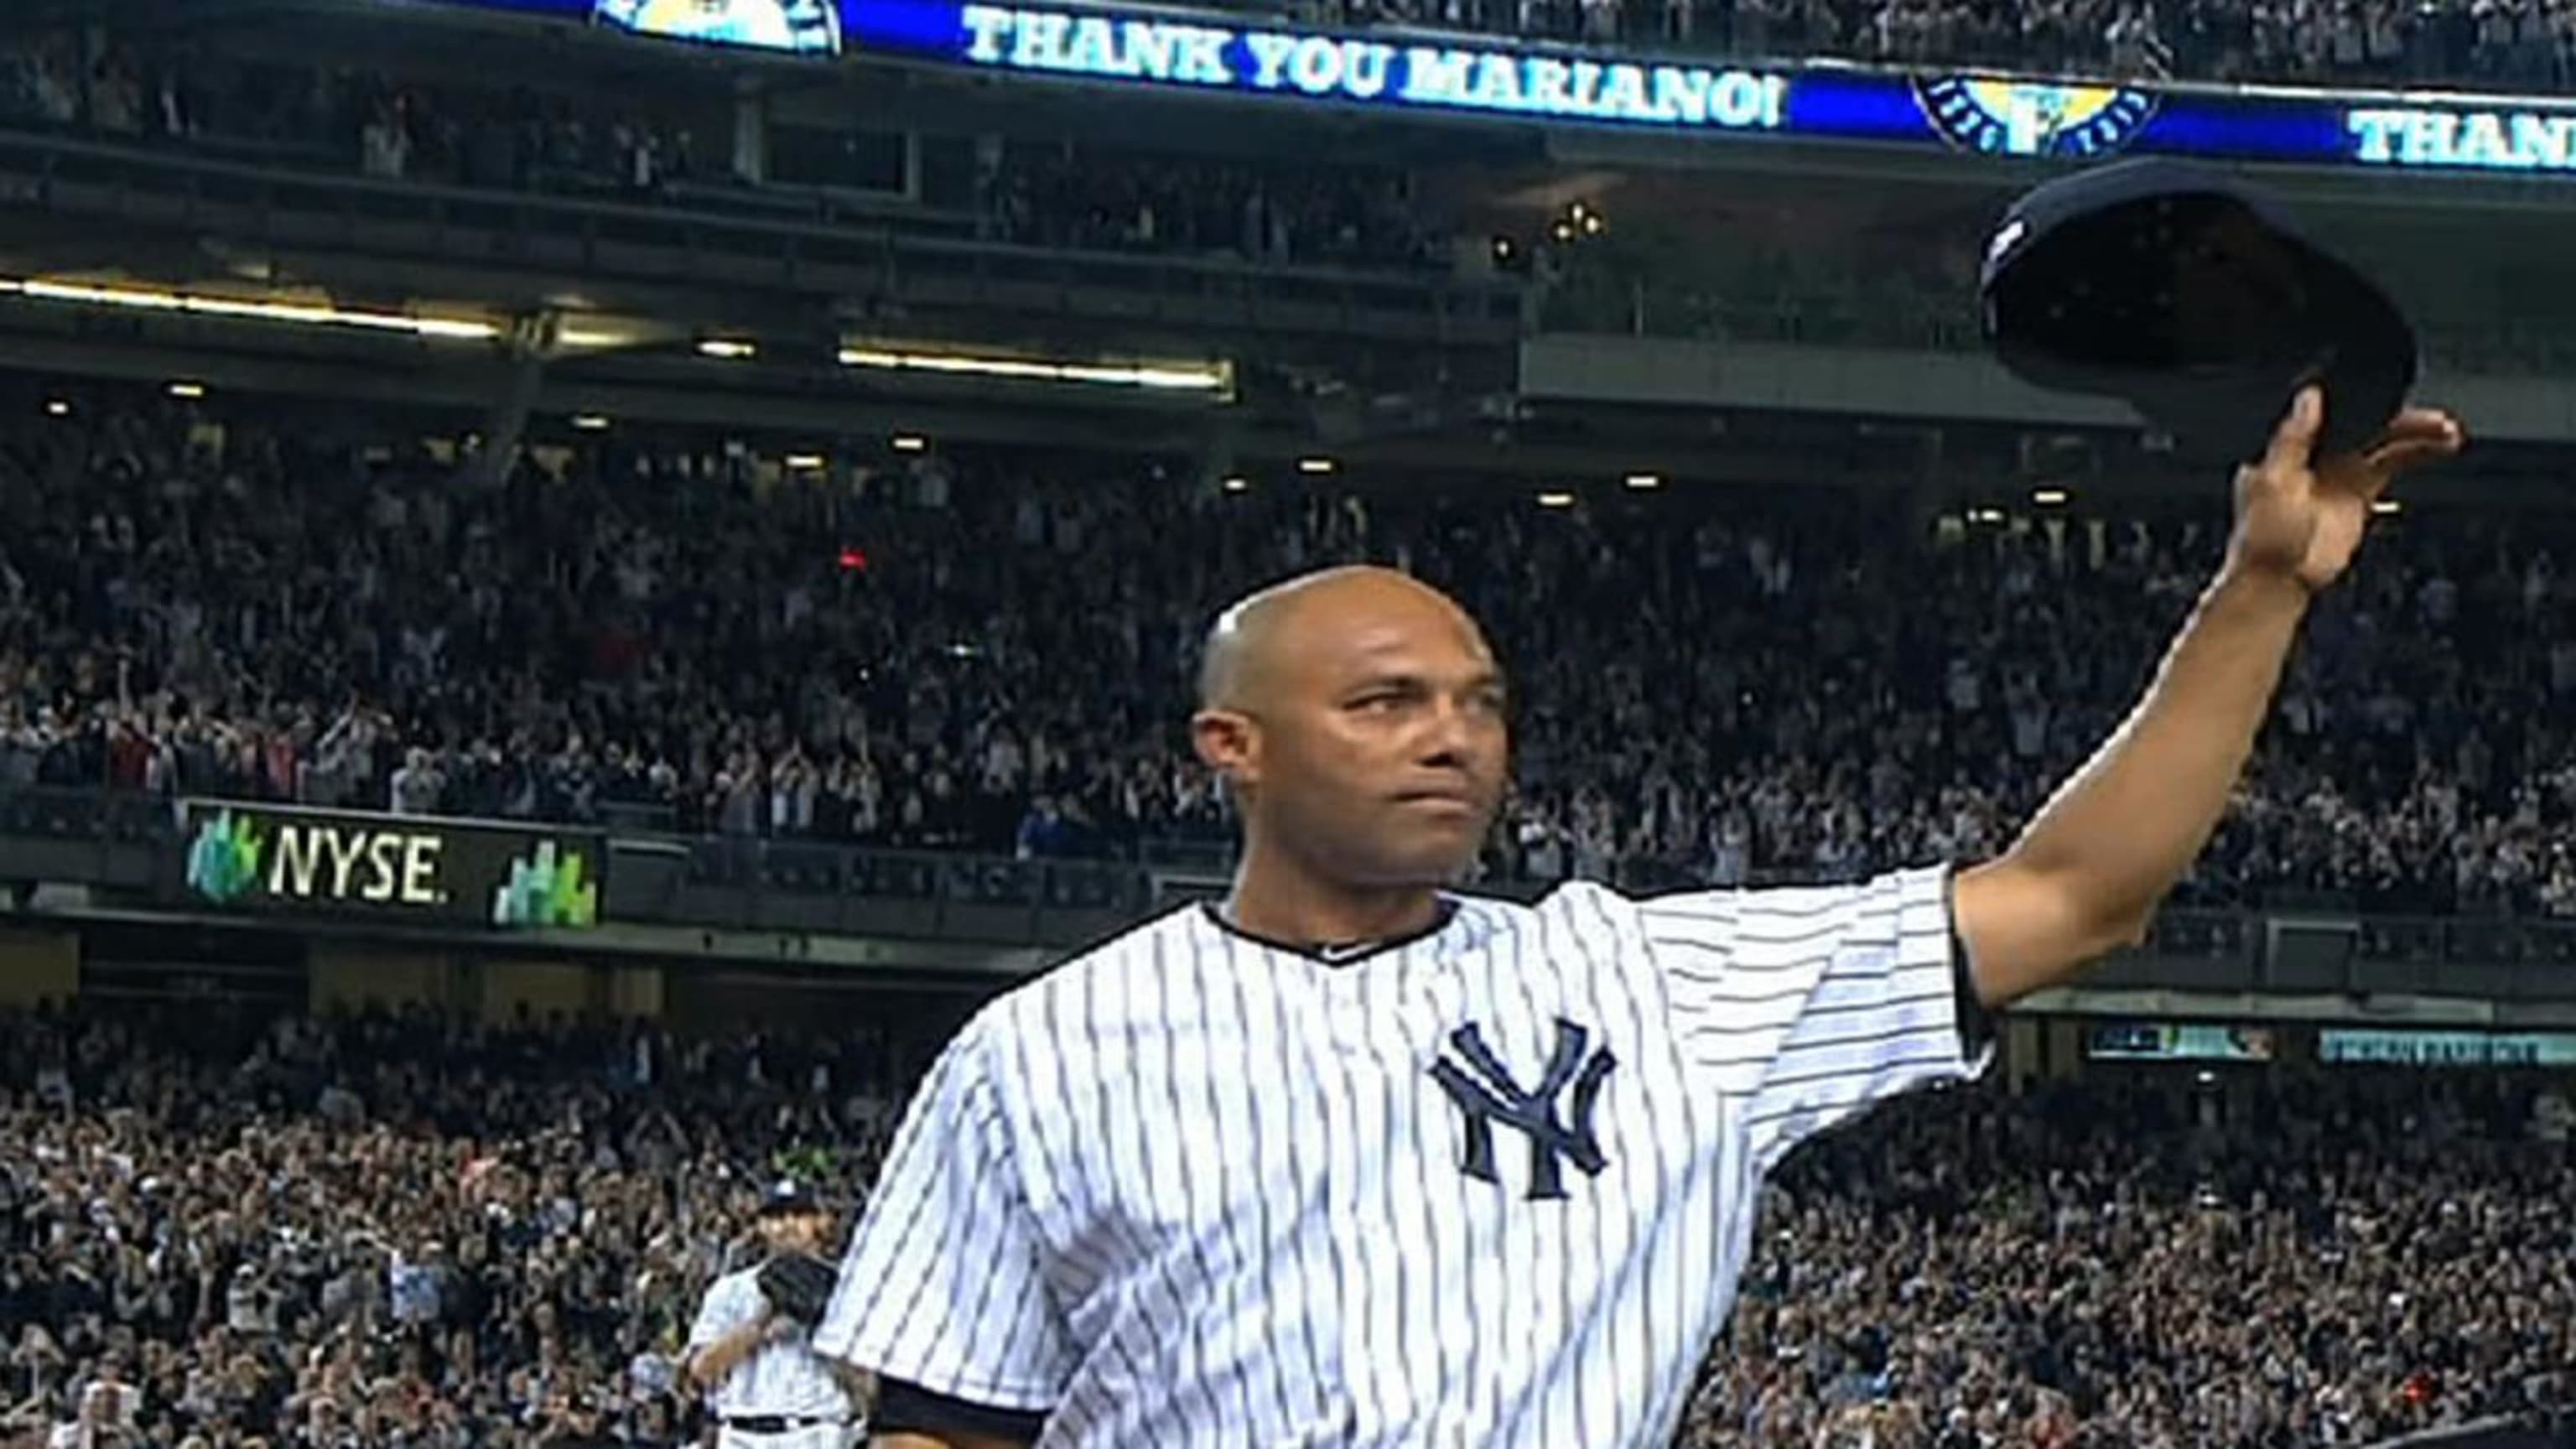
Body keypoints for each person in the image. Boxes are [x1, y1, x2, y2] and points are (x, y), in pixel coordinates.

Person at [813, 387, 2462, 1448]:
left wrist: (2264, 589)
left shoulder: (1649, 981)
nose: (1453, 734)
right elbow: (944, 1432)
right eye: (1386, 702)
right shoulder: (1043, 1050)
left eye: (1478, 700)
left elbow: (2071, 896)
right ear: (1230, 748)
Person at [685, 1181, 872, 1449]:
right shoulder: (729, 1290)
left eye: (800, 1215)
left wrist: (825, 1327)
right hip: (742, 1436)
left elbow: (869, 1390)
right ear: (761, 1225)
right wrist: (760, 1324)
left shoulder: (848, 1289)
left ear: (820, 1222)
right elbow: (701, 1371)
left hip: (818, 1432)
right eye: (777, 1217)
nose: (788, 1225)